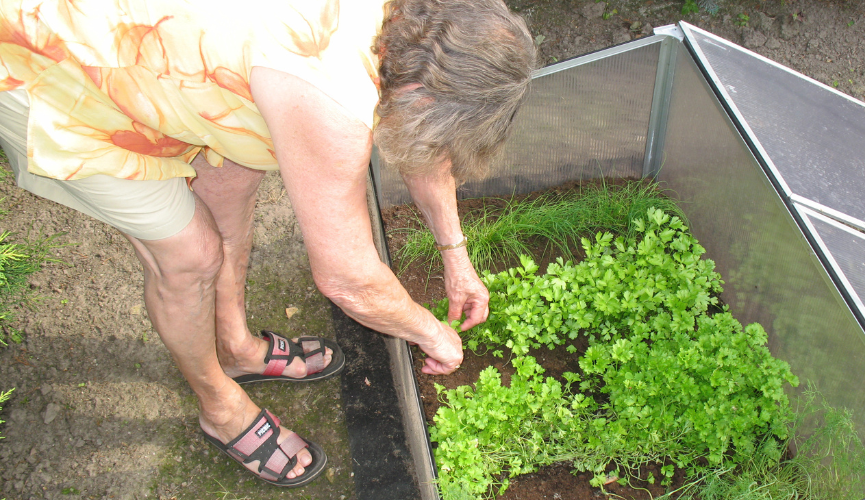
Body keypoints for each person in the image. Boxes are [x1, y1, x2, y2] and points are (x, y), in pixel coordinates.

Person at [0, 0, 536, 487]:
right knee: (191, 256)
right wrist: (432, 332)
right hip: (55, 62)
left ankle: (235, 348)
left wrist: (455, 255)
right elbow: (347, 276)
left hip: (171, 52)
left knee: (232, 176)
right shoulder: (331, 100)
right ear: (422, 94)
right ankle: (219, 407)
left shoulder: (421, 27)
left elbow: (432, 152)